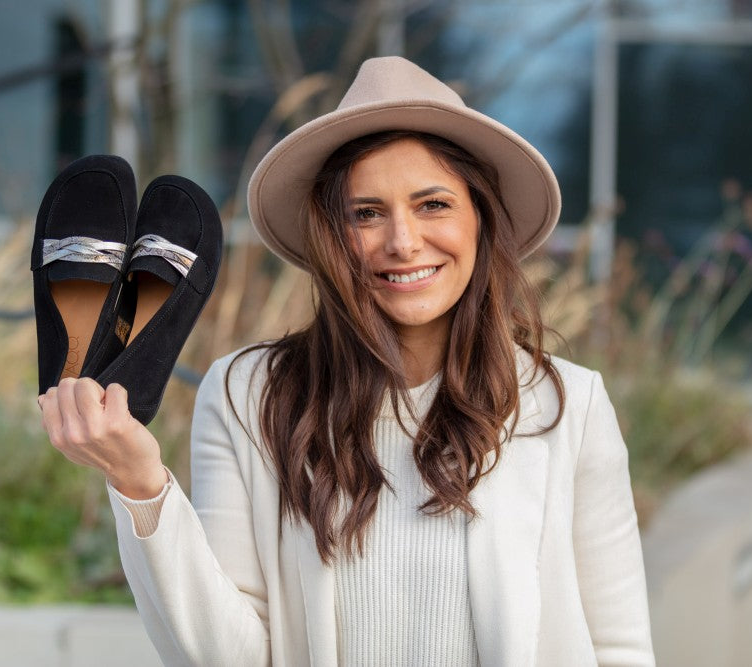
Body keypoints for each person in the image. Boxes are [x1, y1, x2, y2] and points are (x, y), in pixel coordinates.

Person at [39, 56, 654, 666]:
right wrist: (140, 485)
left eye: (434, 204)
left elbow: (620, 647)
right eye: (365, 214)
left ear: (480, 219)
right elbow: (227, 658)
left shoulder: (566, 404)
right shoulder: (248, 394)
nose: (403, 242)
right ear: (331, 239)